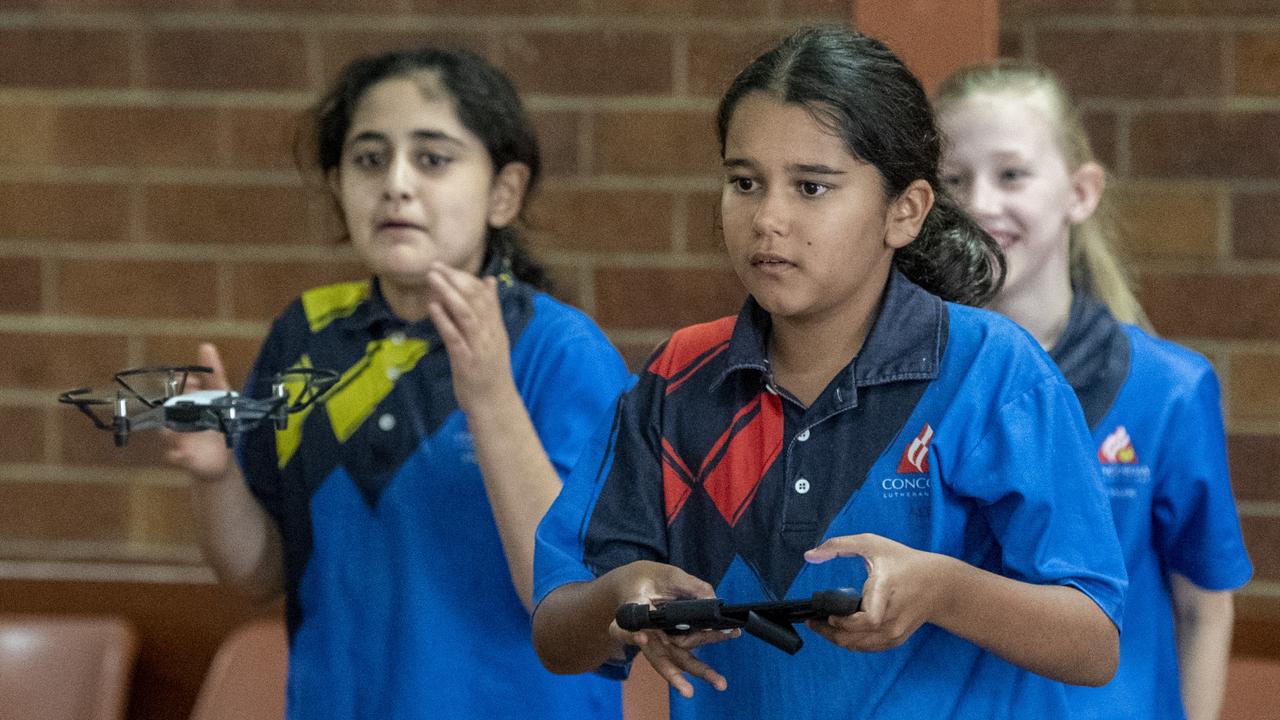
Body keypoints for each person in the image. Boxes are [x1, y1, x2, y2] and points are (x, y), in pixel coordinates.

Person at [530, 25, 1130, 720]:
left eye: (812, 187)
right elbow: (556, 633)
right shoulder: (676, 378)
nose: (768, 219)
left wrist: (943, 589)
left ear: (904, 211)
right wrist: (617, 597)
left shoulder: (993, 371)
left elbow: (1094, 642)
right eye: (744, 182)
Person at [164, 46, 631, 719]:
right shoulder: (306, 335)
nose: (397, 184)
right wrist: (214, 478)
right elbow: (257, 573)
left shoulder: (562, 350)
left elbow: (567, 594)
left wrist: (491, 393)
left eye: (433, 158)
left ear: (505, 192)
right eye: (369, 158)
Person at [934, 60, 1253, 720]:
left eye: (1012, 174)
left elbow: (1204, 607)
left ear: (1080, 191)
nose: (980, 203)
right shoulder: (906, 379)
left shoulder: (1171, 389)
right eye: (954, 180)